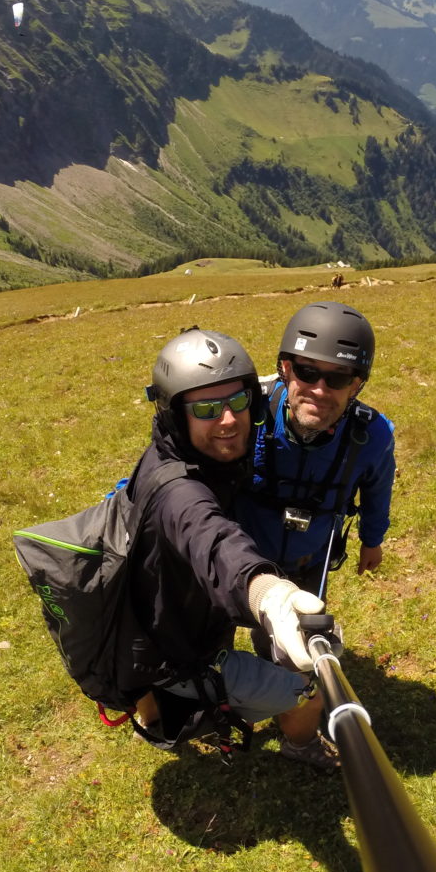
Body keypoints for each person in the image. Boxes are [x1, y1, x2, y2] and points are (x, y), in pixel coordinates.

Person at [125, 327, 340, 770]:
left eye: (237, 402)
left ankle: (155, 713)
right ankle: (301, 746)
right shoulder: (180, 494)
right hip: (185, 659)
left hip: (147, 640)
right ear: (174, 414)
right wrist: (270, 595)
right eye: (205, 408)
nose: (228, 420)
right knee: (308, 692)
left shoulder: (166, 456)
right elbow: (212, 540)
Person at [234, 302, 397, 599]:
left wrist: (371, 541)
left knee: (293, 642)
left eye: (338, 378)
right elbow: (184, 463)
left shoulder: (371, 437)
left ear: (356, 386)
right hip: (239, 560)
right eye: (307, 371)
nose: (320, 390)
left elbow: (377, 492)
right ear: (286, 369)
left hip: (309, 565)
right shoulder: (247, 413)